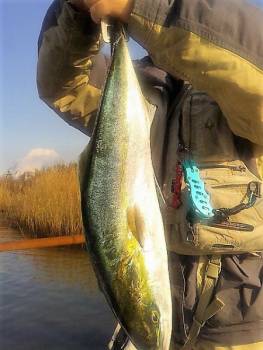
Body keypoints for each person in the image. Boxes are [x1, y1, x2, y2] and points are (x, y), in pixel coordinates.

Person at [37, 0, 263, 349]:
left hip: (239, 332)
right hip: (166, 329)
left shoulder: (242, 95)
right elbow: (62, 87)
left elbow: (249, 59)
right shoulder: (139, 87)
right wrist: (77, 11)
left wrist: (140, 5)